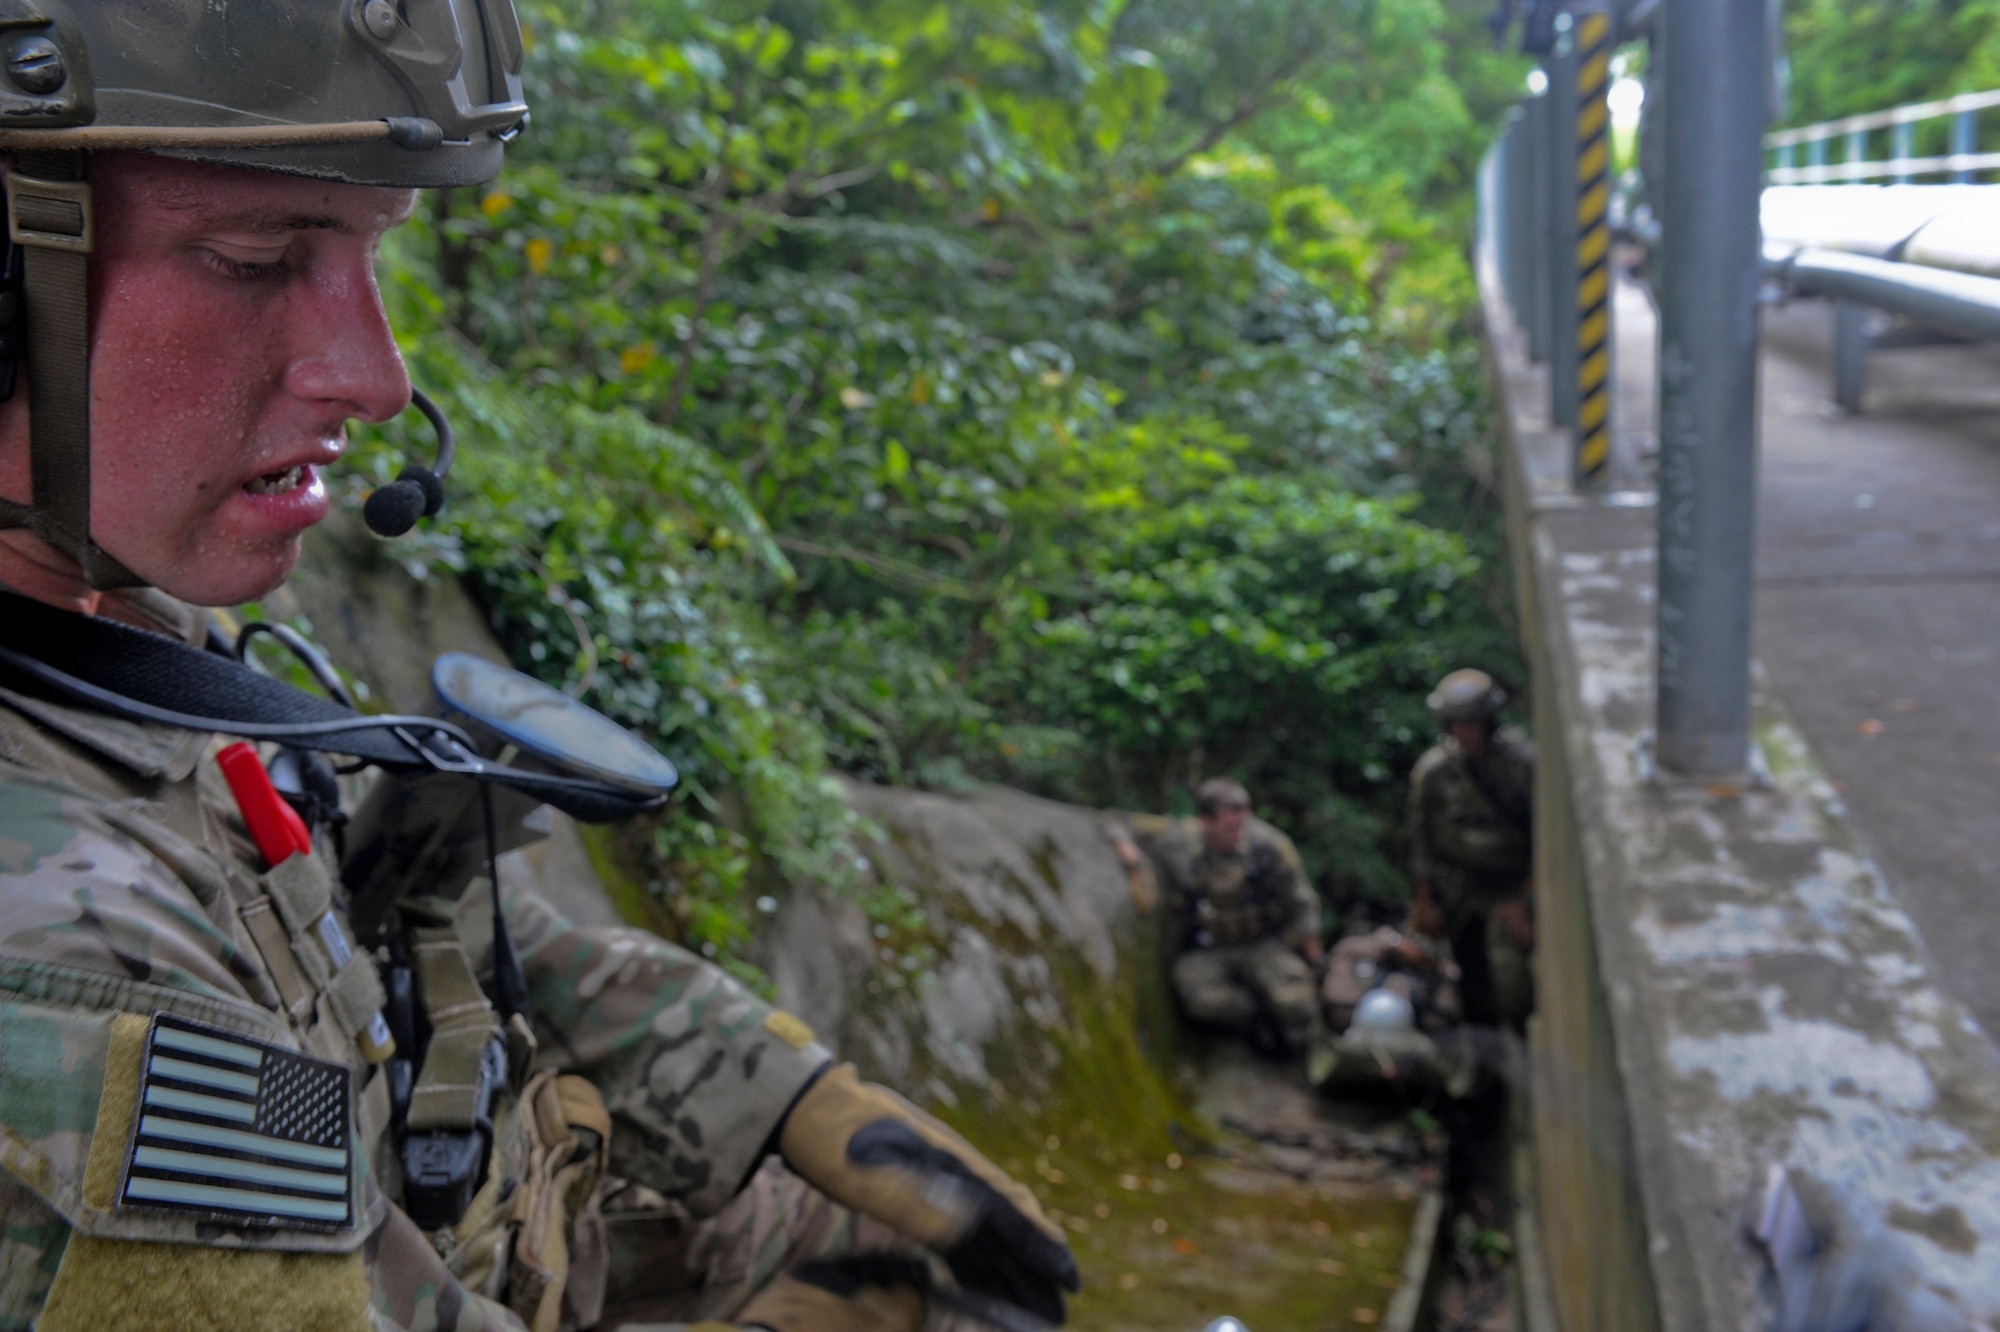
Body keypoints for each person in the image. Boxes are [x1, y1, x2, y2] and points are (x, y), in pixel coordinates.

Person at [0, 6, 1074, 1331]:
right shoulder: (55, 966)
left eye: (373, 251)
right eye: (256, 258)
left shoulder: (118, 625)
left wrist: (772, 1087)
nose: (379, 379)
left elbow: (352, 910)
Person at [1150, 779, 1324, 1056]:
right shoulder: (1181, 838)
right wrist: (1128, 852)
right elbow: (1120, 822)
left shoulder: (1271, 846)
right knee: (1200, 1000)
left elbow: (1305, 906)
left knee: (1297, 1001)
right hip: (1210, 948)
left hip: (1263, 944)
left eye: (1243, 824)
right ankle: (1255, 1020)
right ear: (1206, 822)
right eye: (1229, 828)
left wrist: (1313, 957)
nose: (1238, 834)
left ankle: (1293, 1043)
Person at [1407, 668, 1536, 1032]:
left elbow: (1544, 842)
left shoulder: (1520, 766)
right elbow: (1422, 842)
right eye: (1456, 724)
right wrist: (1425, 903)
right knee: (1458, 979)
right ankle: (1476, 1051)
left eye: (1472, 724)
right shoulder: (1435, 772)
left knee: (1511, 984)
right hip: (1457, 888)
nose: (1464, 732)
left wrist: (1527, 902)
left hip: (1510, 888)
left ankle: (1514, 1042)